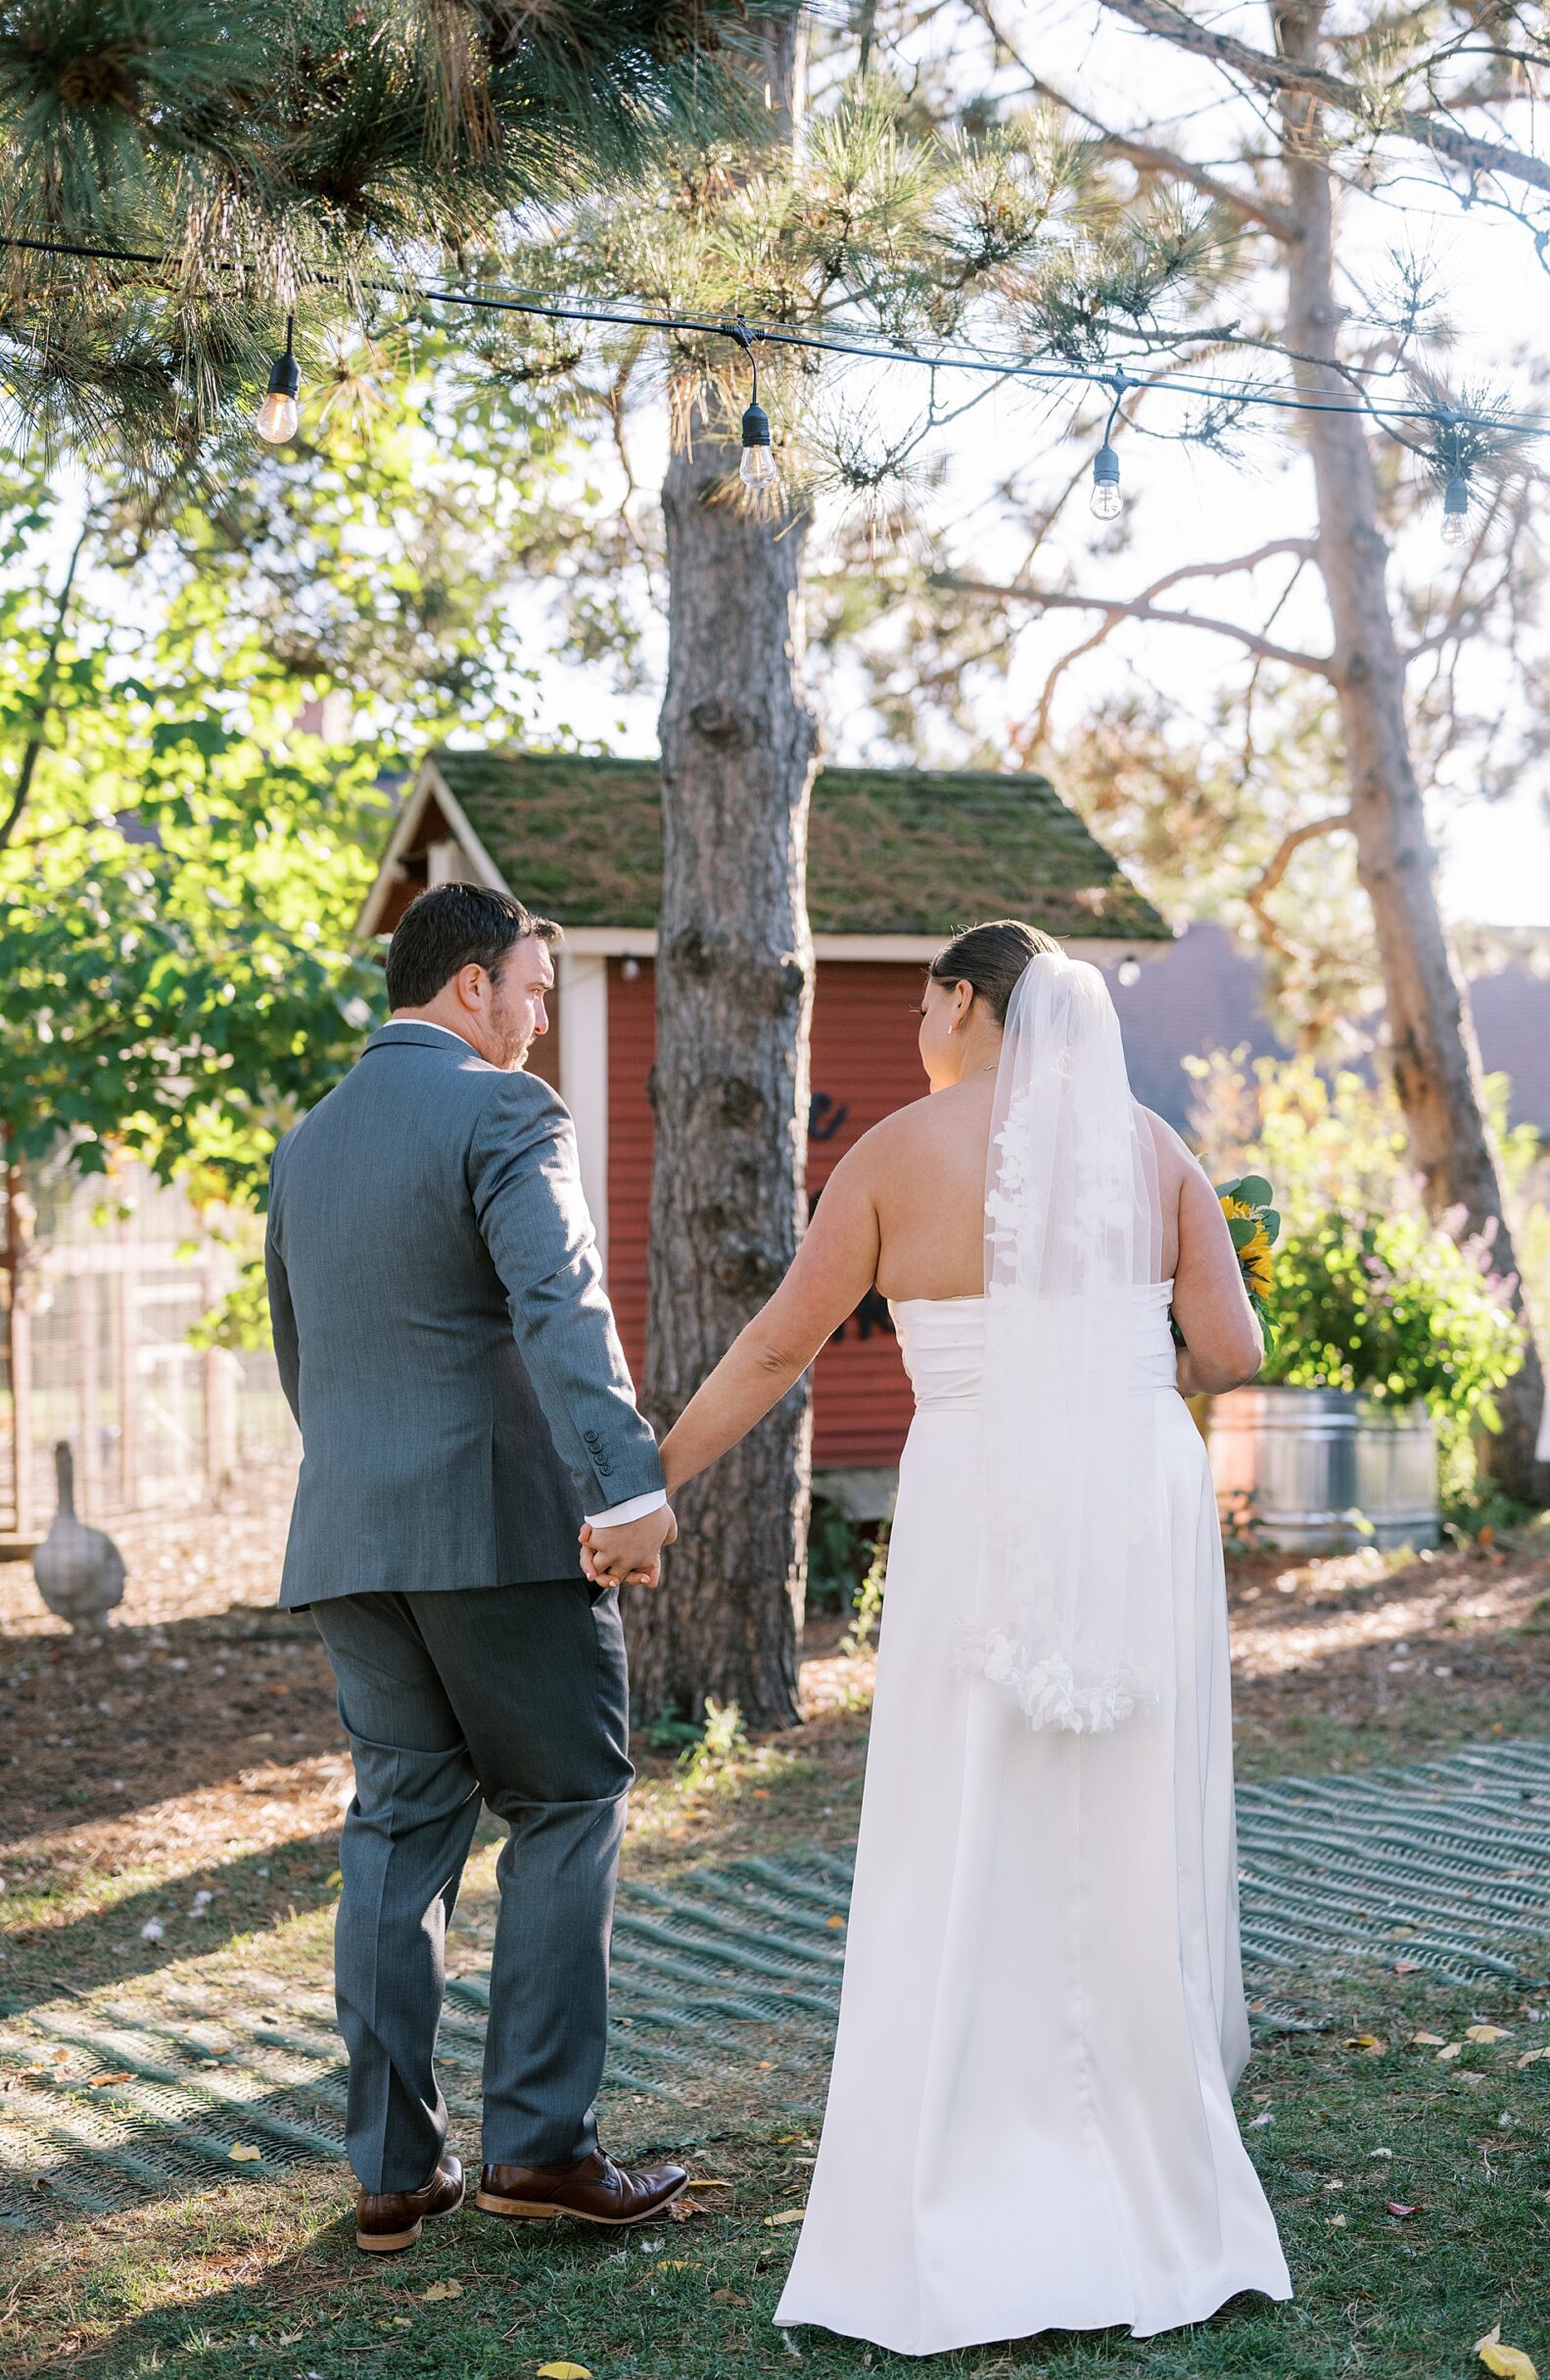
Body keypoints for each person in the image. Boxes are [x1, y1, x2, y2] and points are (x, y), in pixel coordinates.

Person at [587, 920, 1292, 2354]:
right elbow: (1232, 1355)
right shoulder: (1154, 1150)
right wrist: (1106, 1358)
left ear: (964, 1001)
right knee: (1118, 1820)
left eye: (923, 1001)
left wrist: (651, 1477)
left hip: (983, 1491)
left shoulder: (898, 1153)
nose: (919, 1027)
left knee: (966, 1815)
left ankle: (964, 2173)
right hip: (1130, 1498)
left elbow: (782, 1344)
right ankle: (1152, 2180)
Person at [265, 882, 685, 2255]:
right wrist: (624, 1483)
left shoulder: (306, 1147)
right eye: (536, 987)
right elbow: (563, 1301)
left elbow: (300, 1359)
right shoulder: (502, 1113)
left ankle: (394, 2173)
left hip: (350, 1535)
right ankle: (541, 2152)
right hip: (496, 1531)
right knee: (568, 1796)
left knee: (398, 1827)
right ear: (468, 987)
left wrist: (367, 1490)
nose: (543, 1014)